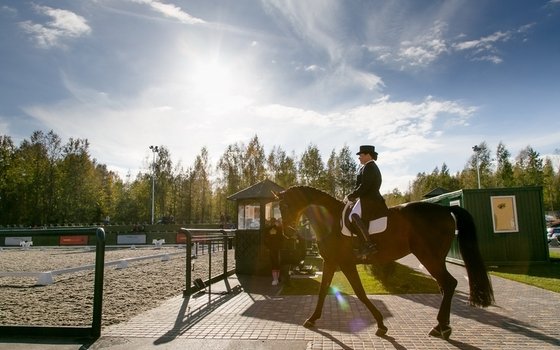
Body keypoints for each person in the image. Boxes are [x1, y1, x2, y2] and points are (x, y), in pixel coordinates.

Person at [345, 145, 389, 258]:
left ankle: (368, 245)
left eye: (361, 155)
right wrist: (353, 196)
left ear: (368, 155)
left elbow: (365, 186)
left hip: (371, 199)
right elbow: (360, 186)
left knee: (353, 216)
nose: (359, 157)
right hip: (365, 198)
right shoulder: (365, 167)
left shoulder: (370, 167)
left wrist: (352, 196)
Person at [264, 217, 285, 285]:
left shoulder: (268, 229)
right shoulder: (280, 229)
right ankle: (277, 279)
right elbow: (282, 239)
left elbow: (265, 239)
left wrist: (267, 246)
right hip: (278, 248)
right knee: (278, 263)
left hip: (271, 248)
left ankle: (275, 279)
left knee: (273, 264)